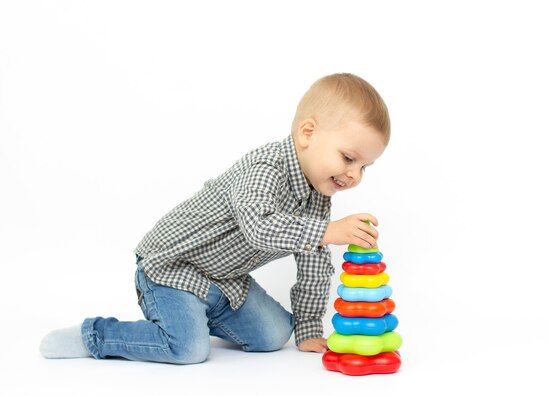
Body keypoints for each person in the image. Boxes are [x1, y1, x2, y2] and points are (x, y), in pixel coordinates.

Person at [39, 72, 390, 364]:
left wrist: (310, 326)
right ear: (307, 133)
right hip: (171, 266)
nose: (354, 175)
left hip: (222, 280)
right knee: (188, 349)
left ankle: (197, 311)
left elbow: (314, 261)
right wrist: (328, 231)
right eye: (348, 157)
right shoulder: (265, 167)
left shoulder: (317, 195)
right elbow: (260, 227)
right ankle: (96, 336)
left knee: (275, 334)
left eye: (364, 167)